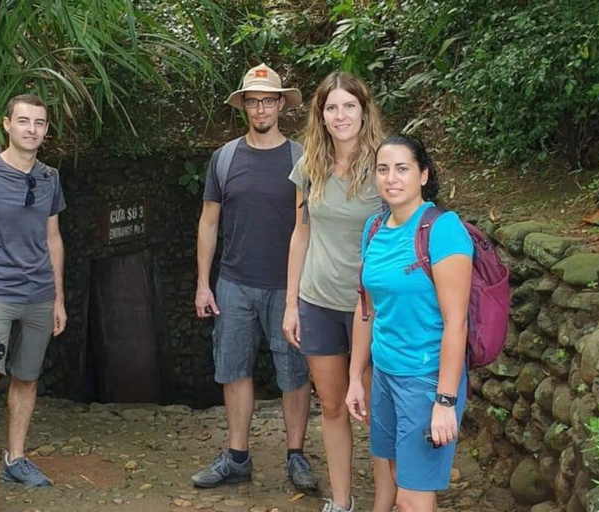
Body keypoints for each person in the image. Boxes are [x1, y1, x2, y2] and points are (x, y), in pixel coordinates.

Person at [192, 63, 317, 490]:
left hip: (289, 286)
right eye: (252, 101)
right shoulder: (224, 158)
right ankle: (238, 456)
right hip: (234, 283)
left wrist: (302, 292)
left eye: (268, 100)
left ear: (281, 104)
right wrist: (203, 283)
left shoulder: (301, 158)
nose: (260, 108)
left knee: (294, 372)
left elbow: (312, 225)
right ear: (243, 105)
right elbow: (209, 222)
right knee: (233, 369)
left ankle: (296, 455)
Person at [283, 71, 394, 512]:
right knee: (331, 407)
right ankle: (341, 502)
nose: (340, 115)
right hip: (318, 301)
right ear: (320, 114)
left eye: (349, 105)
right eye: (332, 107)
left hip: (371, 307)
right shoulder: (309, 165)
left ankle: (387, 504)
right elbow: (300, 234)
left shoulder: (384, 166)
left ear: (364, 111)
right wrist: (291, 303)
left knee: (378, 413)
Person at [345, 134, 473, 512]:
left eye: (402, 168)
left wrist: (445, 402)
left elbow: (457, 324)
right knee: (401, 479)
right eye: (383, 169)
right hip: (384, 373)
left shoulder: (443, 230)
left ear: (423, 175)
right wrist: (355, 377)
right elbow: (366, 307)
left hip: (426, 378)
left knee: (413, 499)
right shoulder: (373, 228)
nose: (391, 178)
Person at [0, 94, 67, 511]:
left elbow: (52, 236)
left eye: (39, 123)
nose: (32, 129)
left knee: (27, 376)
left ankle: (15, 459)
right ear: (6, 124)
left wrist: (58, 297)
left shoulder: (50, 177)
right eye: (23, 121)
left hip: (39, 292)